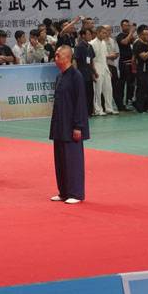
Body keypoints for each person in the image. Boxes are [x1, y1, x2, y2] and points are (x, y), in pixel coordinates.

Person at [49, 46, 90, 204]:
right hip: (59, 124)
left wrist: (78, 126)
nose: (55, 58)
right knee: (60, 160)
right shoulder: (59, 76)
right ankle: (64, 192)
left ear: (67, 57)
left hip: (72, 126)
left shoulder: (76, 76)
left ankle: (76, 193)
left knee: (73, 160)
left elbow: (80, 102)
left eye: (58, 55)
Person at [90, 26, 118, 115]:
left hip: (105, 67)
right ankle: (98, 109)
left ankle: (109, 108)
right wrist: (93, 72)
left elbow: (104, 57)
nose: (105, 34)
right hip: (96, 67)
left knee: (108, 89)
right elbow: (91, 60)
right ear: (98, 33)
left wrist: (108, 70)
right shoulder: (92, 43)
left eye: (106, 33)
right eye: (103, 33)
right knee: (97, 90)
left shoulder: (103, 43)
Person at [74, 28, 97, 116]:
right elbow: (75, 60)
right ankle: (82, 112)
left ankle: (90, 111)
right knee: (82, 94)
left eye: (91, 34)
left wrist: (94, 72)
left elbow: (91, 60)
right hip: (81, 73)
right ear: (83, 35)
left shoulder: (90, 46)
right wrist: (76, 74)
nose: (90, 36)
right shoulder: (79, 47)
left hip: (89, 74)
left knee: (90, 93)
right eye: (88, 34)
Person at [116, 19, 136, 109]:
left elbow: (135, 43)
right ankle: (121, 103)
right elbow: (125, 42)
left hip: (131, 62)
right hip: (124, 62)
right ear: (121, 26)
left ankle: (129, 99)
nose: (127, 27)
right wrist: (131, 32)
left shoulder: (131, 36)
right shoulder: (120, 36)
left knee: (131, 82)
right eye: (125, 25)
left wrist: (132, 34)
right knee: (122, 82)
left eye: (128, 25)